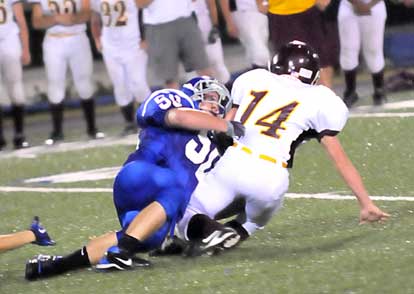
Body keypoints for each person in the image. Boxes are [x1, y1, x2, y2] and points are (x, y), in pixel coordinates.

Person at [174, 41, 390, 252]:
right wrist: (366, 203)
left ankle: (214, 231)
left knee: (186, 212)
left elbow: (225, 128)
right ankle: (231, 233)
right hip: (273, 177)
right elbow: (339, 159)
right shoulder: (322, 99)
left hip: (236, 161)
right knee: (254, 220)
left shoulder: (253, 79)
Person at [24, 76, 245, 280]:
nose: (215, 107)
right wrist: (225, 125)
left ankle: (55, 266)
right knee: (174, 189)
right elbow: (178, 116)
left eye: (219, 105)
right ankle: (122, 252)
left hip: (159, 207)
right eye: (211, 99)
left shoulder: (217, 146)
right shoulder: (178, 98)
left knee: (147, 239)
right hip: (142, 174)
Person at [29, 0, 105, 145]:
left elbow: (87, 12)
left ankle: (92, 128)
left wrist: (72, 19)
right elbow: (36, 22)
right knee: (55, 85)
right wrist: (56, 19)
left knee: (84, 83)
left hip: (78, 38)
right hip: (53, 40)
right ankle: (57, 131)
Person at [90, 0, 151, 135]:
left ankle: (150, 120)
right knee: (120, 85)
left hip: (133, 44)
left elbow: (145, 10)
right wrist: (97, 39)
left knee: (138, 83)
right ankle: (129, 123)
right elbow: (95, 19)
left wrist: (146, 37)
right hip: (111, 46)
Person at [137, 0, 213, 89]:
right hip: (158, 26)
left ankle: (213, 100)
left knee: (204, 69)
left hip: (186, 19)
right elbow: (140, 3)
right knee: (169, 78)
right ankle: (176, 102)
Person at [267, 0, 336, 88]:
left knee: (320, 59)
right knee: (286, 63)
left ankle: (326, 95)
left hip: (307, 10)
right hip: (279, 13)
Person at [337, 0, 387, 107]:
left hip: (375, 5)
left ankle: (379, 89)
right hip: (348, 5)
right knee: (348, 49)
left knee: (374, 49)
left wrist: (369, 4)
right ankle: (350, 91)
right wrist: (357, 3)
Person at [0, 0, 31, 150]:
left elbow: (20, 19)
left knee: (15, 88)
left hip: (9, 40)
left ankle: (19, 134)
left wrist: (25, 48)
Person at [219, 0, 270, 70]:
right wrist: (229, 22)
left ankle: (254, 72)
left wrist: (265, 3)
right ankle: (263, 71)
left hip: (260, 14)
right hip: (243, 12)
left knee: (254, 49)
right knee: (258, 51)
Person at [192, 0, 231, 86]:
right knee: (196, 69)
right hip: (188, 31)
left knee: (216, 62)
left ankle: (227, 89)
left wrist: (215, 26)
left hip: (206, 25)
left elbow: (212, 5)